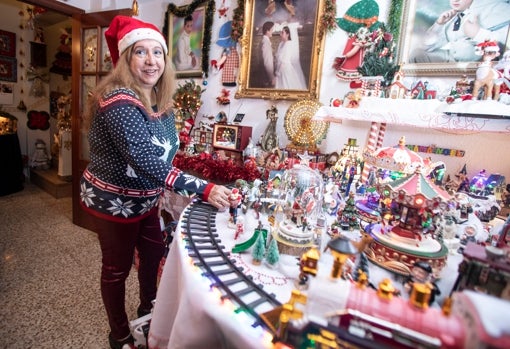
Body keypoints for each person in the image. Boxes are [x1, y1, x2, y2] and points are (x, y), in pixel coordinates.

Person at [80, 16, 231, 349]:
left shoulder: (161, 102)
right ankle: (119, 334)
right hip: (113, 202)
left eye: (158, 53)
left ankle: (150, 314)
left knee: (151, 255)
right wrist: (204, 187)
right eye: (140, 52)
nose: (151, 61)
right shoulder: (119, 102)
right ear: (126, 59)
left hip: (146, 200)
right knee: (117, 269)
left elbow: (167, 154)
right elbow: (148, 161)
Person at [410, 0, 510, 63]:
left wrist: (478, 33)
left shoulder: (498, 7)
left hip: (482, 68)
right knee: (416, 55)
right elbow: (427, 47)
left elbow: (507, 45)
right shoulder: (453, 17)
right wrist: (438, 25)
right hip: (451, 68)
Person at [274, 25, 307, 90]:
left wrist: (277, 74)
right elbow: (279, 57)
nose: (280, 34)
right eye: (281, 32)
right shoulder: (281, 44)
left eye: (282, 33)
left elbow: (284, 61)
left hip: (285, 71)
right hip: (280, 69)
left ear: (287, 34)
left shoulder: (288, 44)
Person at [260, 21, 276, 87]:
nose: (273, 31)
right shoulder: (266, 43)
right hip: (267, 79)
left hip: (265, 77)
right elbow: (267, 62)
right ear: (267, 31)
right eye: (272, 30)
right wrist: (271, 78)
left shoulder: (265, 41)